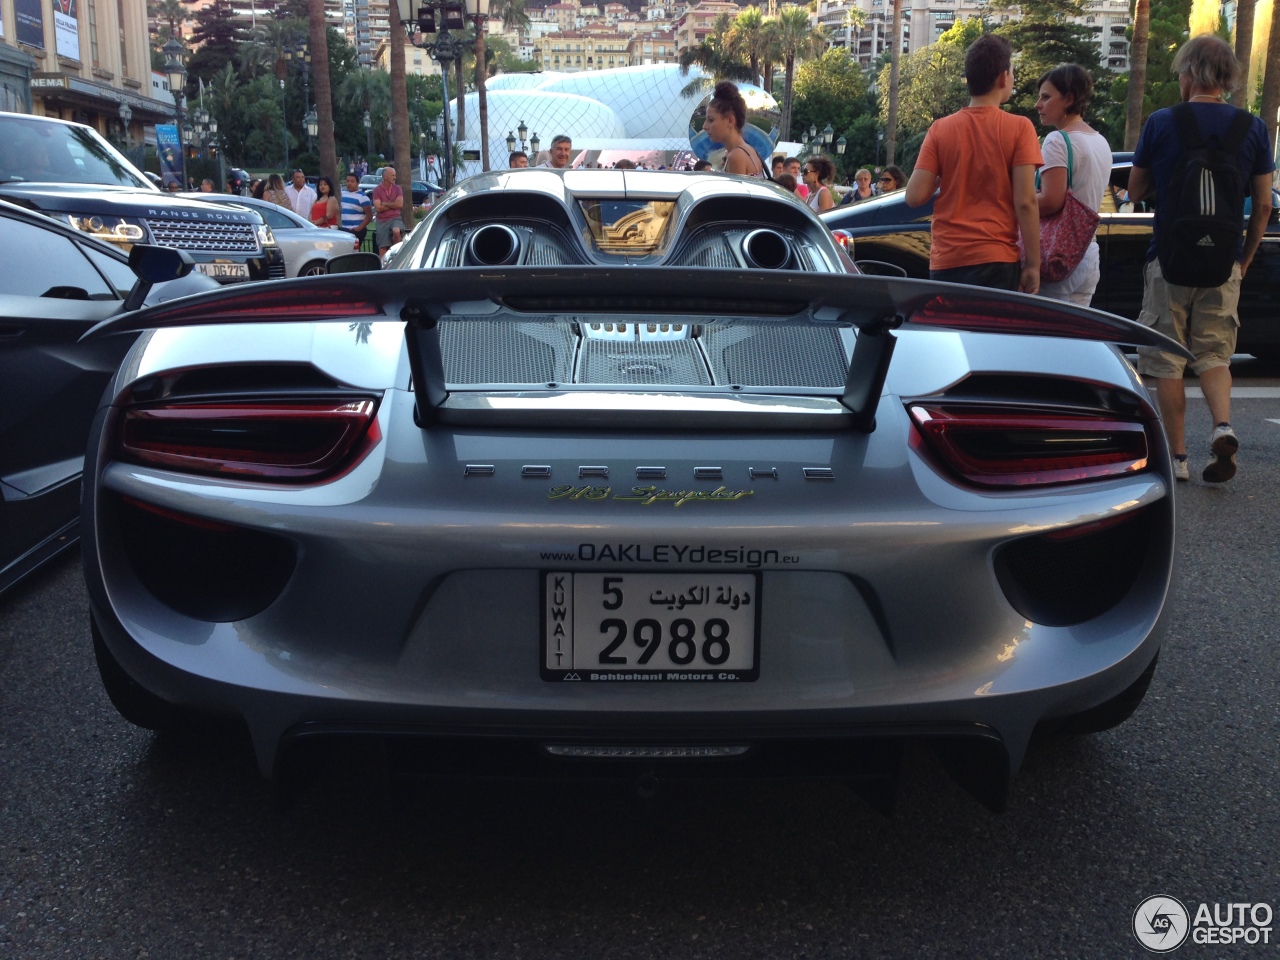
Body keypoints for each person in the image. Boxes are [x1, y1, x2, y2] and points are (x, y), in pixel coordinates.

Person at [1128, 35, 1274, 483]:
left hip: (1169, 258)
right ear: (1227, 77)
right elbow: (1264, 205)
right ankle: (1222, 426)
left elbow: (1134, 190)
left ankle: (1178, 458)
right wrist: (1243, 259)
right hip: (1223, 262)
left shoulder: (1161, 122)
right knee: (1214, 354)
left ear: (1189, 73)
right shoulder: (1251, 128)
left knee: (1166, 359)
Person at [904, 33, 1042, 294]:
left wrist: (950, 167)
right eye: (1012, 71)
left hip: (947, 260)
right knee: (991, 335)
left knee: (951, 335)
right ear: (1003, 77)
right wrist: (1033, 265)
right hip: (997, 258)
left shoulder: (939, 130)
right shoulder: (1020, 128)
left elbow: (914, 196)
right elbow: (1025, 201)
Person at [1033, 64, 1112, 307]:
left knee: (1045, 341)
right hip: (1088, 254)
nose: (1038, 104)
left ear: (1068, 99)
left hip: (1058, 255)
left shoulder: (1058, 140)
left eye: (1046, 97)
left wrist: (1016, 198)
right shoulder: (1100, 141)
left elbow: (1051, 201)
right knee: (1073, 340)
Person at [702, 81, 766, 178]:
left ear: (730, 121)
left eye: (711, 120)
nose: (704, 126)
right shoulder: (750, 150)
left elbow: (735, 194)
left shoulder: (736, 156)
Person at [372, 164, 405, 255]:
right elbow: (378, 208)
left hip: (395, 218)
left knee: (396, 231)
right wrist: (393, 204)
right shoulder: (377, 190)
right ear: (385, 176)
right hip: (382, 220)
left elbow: (400, 204)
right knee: (382, 247)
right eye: (392, 175)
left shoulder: (398, 188)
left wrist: (385, 203)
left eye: (395, 175)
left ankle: (397, 254)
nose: (395, 178)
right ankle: (383, 267)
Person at [340, 173, 374, 248]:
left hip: (355, 229)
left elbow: (369, 215)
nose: (349, 183)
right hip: (344, 229)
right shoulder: (343, 194)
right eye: (348, 181)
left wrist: (359, 228)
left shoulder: (362, 197)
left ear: (358, 183)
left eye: (352, 181)